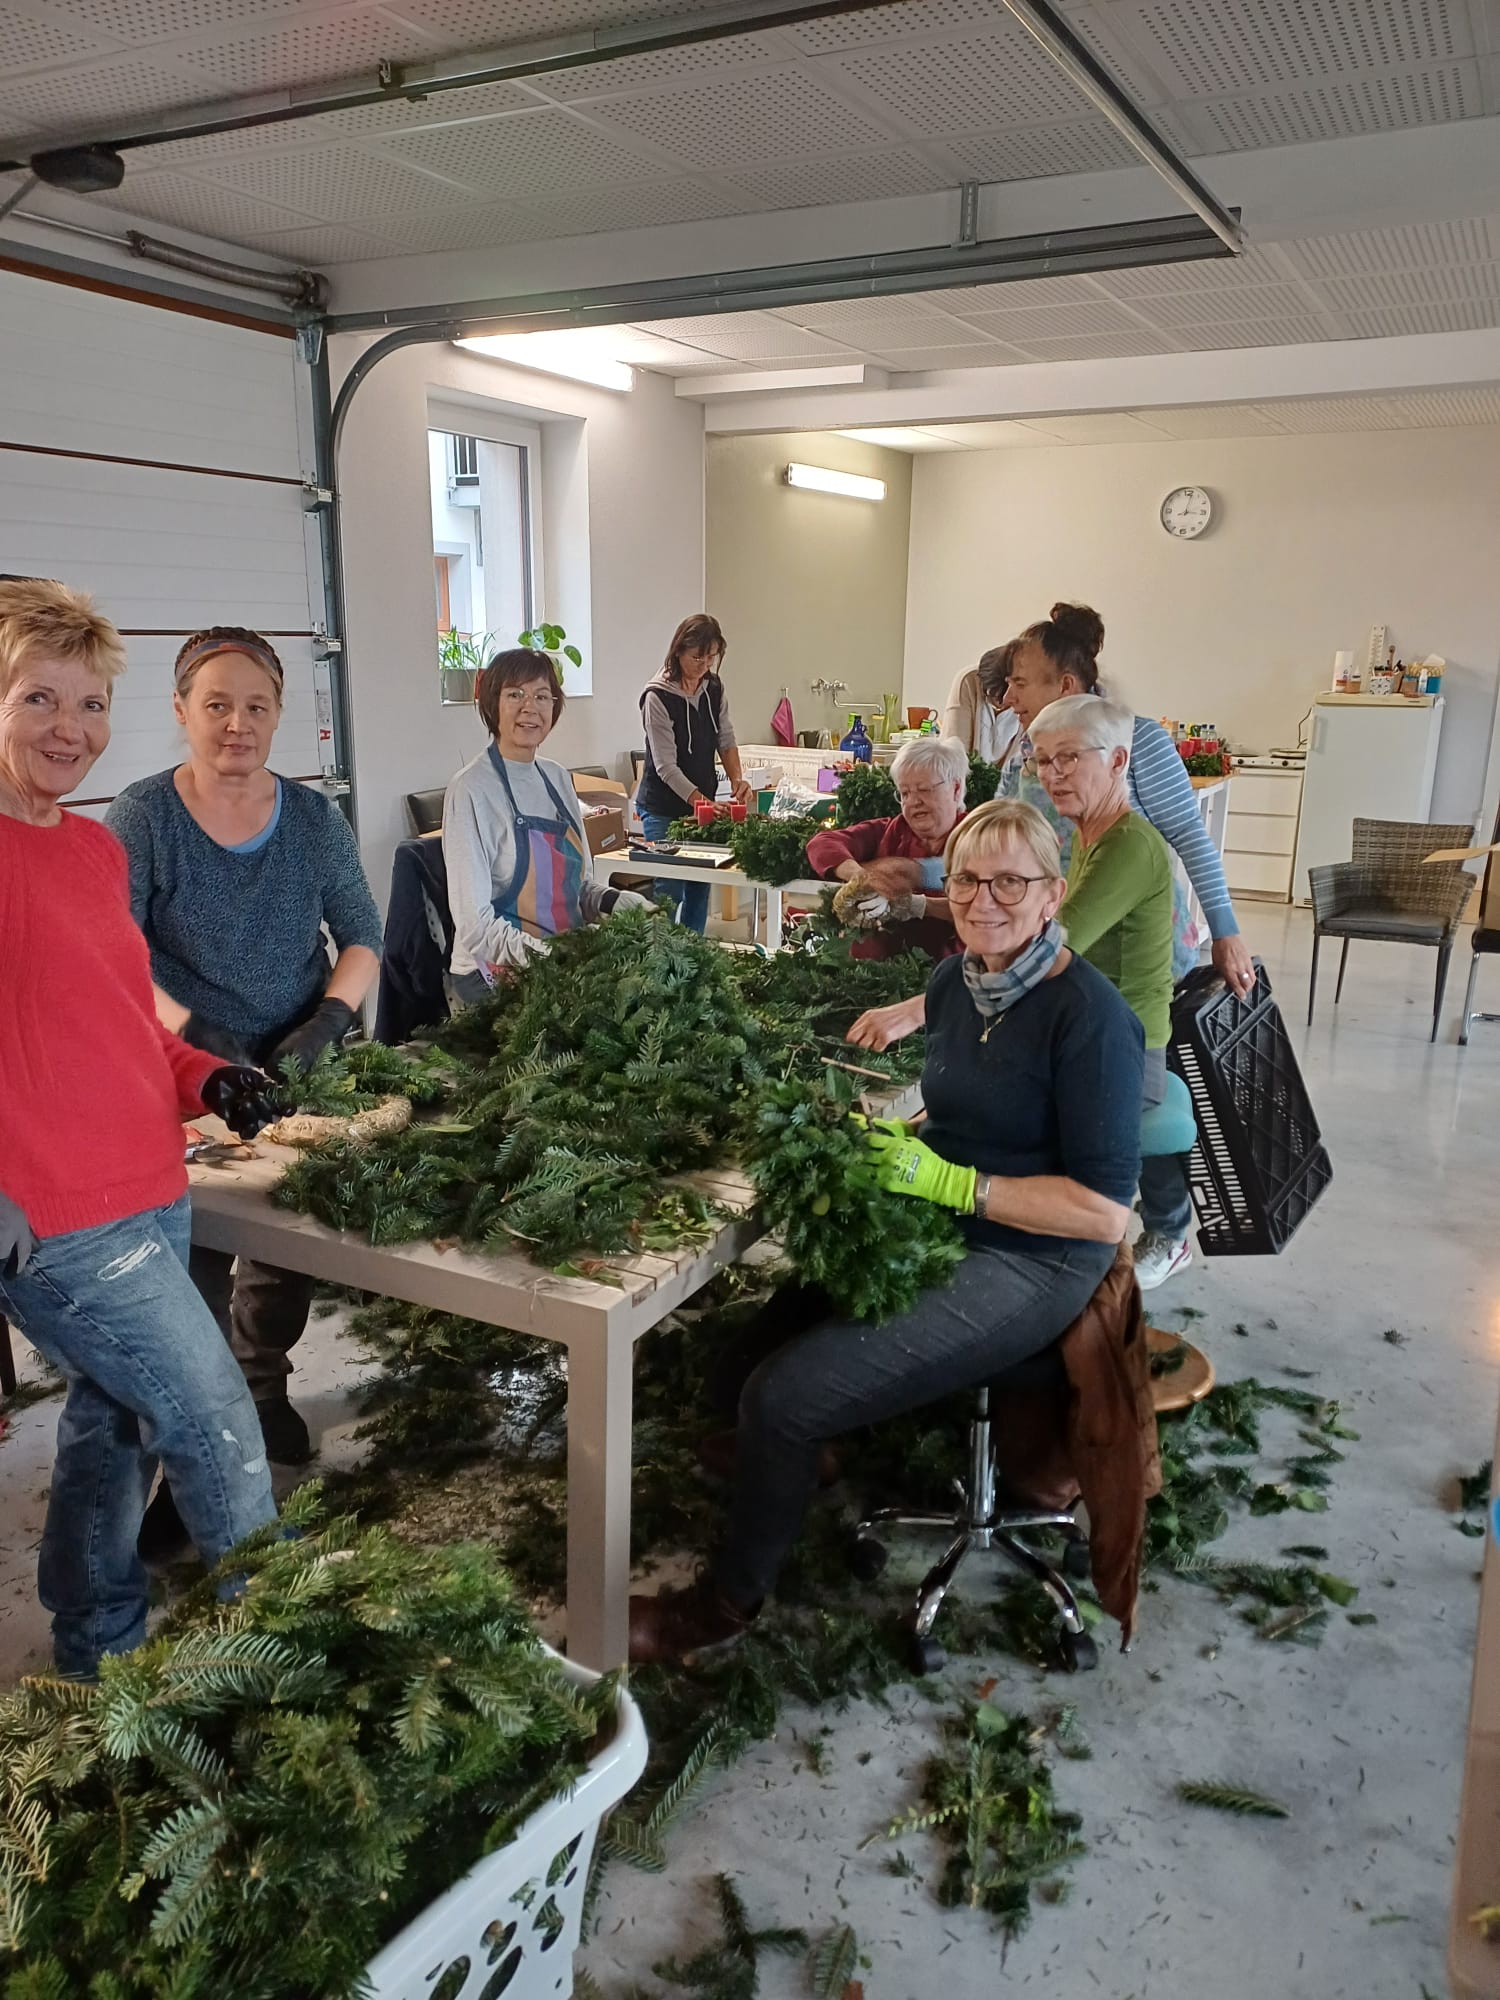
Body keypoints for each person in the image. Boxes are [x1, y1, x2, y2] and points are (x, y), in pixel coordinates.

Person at [627, 798, 1144, 1663]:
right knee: (740, 1364)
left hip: (1036, 1258)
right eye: (968, 879)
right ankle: (808, 1461)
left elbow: (1102, 1211)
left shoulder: (1089, 1019)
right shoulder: (953, 985)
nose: (983, 900)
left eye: (1011, 883)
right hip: (951, 1213)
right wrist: (891, 1144)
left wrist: (954, 1183)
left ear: (1052, 896)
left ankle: (721, 1610)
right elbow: (962, 1112)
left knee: (780, 1398)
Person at [0, 578, 279, 1678]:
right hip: (58, 1217)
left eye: (90, 703)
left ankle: (94, 1649)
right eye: (37, 698)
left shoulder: (91, 850)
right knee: (214, 1419)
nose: (69, 728)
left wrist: (211, 1078)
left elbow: (126, 1030)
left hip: (156, 1185)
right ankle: (289, 1654)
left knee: (112, 1424)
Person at [106, 627, 384, 1483]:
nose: (238, 723)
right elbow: (114, 948)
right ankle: (200, 1424)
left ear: (278, 714)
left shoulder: (313, 819)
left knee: (281, 1239)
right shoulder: (144, 816)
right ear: (181, 709)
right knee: (193, 1246)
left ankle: (261, 1386)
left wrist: (327, 1021)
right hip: (181, 1069)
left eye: (257, 706)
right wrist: (194, 1037)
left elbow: (363, 934)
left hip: (294, 1060)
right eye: (218, 704)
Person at [1001, 603, 1256, 1000]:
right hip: (1061, 940)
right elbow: (1002, 835)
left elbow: (1190, 836)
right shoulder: (1026, 751)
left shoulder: (1138, 740)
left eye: (1019, 683)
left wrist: (1226, 933)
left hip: (1134, 954)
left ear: (1065, 686)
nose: (1008, 698)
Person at [1031, 694, 1194, 1291]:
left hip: (1128, 1046)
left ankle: (1159, 1236)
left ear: (1119, 760)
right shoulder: (1090, 834)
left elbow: (1052, 941)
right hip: (1093, 1028)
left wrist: (930, 1001)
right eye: (1042, 760)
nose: (1053, 774)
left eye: (1069, 757)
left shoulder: (1129, 845)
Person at [444, 646, 655, 1007]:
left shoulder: (556, 778)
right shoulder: (471, 790)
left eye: (542, 696)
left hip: (560, 955)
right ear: (492, 703)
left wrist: (616, 901)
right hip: (492, 968)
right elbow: (475, 927)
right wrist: (547, 958)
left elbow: (577, 887)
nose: (530, 708)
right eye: (515, 695)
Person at [635, 613, 751, 933]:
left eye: (711, 657)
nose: (704, 665)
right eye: (697, 657)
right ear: (678, 652)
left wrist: (737, 779)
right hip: (662, 807)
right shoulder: (657, 696)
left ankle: (694, 952)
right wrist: (703, 803)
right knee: (669, 887)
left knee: (701, 883)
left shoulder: (713, 687)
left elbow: (725, 738)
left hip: (701, 803)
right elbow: (665, 767)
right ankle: (661, 952)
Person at [805, 734, 968, 961]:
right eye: (905, 793)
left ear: (956, 789)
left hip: (950, 969)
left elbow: (984, 909)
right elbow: (822, 843)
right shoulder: (890, 830)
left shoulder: (978, 838)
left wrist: (917, 905)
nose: (913, 802)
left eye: (924, 790)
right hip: (876, 969)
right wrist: (863, 880)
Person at [942, 641, 1020, 764]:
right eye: (995, 697)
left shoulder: (1030, 689)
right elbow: (955, 751)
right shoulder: (968, 681)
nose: (1004, 702)